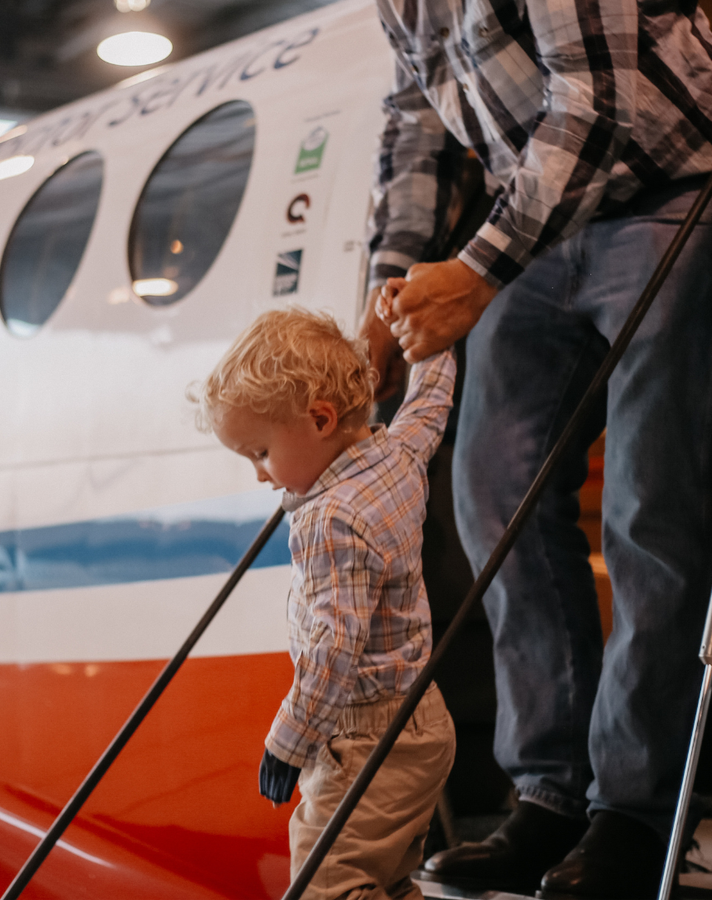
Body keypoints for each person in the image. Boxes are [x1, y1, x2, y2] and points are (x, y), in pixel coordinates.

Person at [360, 0, 712, 896]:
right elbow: (415, 117)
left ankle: (637, 809)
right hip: (546, 209)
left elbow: (599, 105)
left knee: (649, 506)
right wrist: (390, 280)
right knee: (494, 490)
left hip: (672, 178)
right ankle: (550, 795)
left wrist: (476, 271)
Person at [193, 306, 456, 900]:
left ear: (319, 418)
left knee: (325, 888)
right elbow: (431, 403)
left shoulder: (327, 520)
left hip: (364, 739)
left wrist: (287, 741)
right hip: (424, 723)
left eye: (260, 452)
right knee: (383, 883)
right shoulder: (399, 457)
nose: (261, 475)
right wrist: (430, 335)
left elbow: (334, 648)